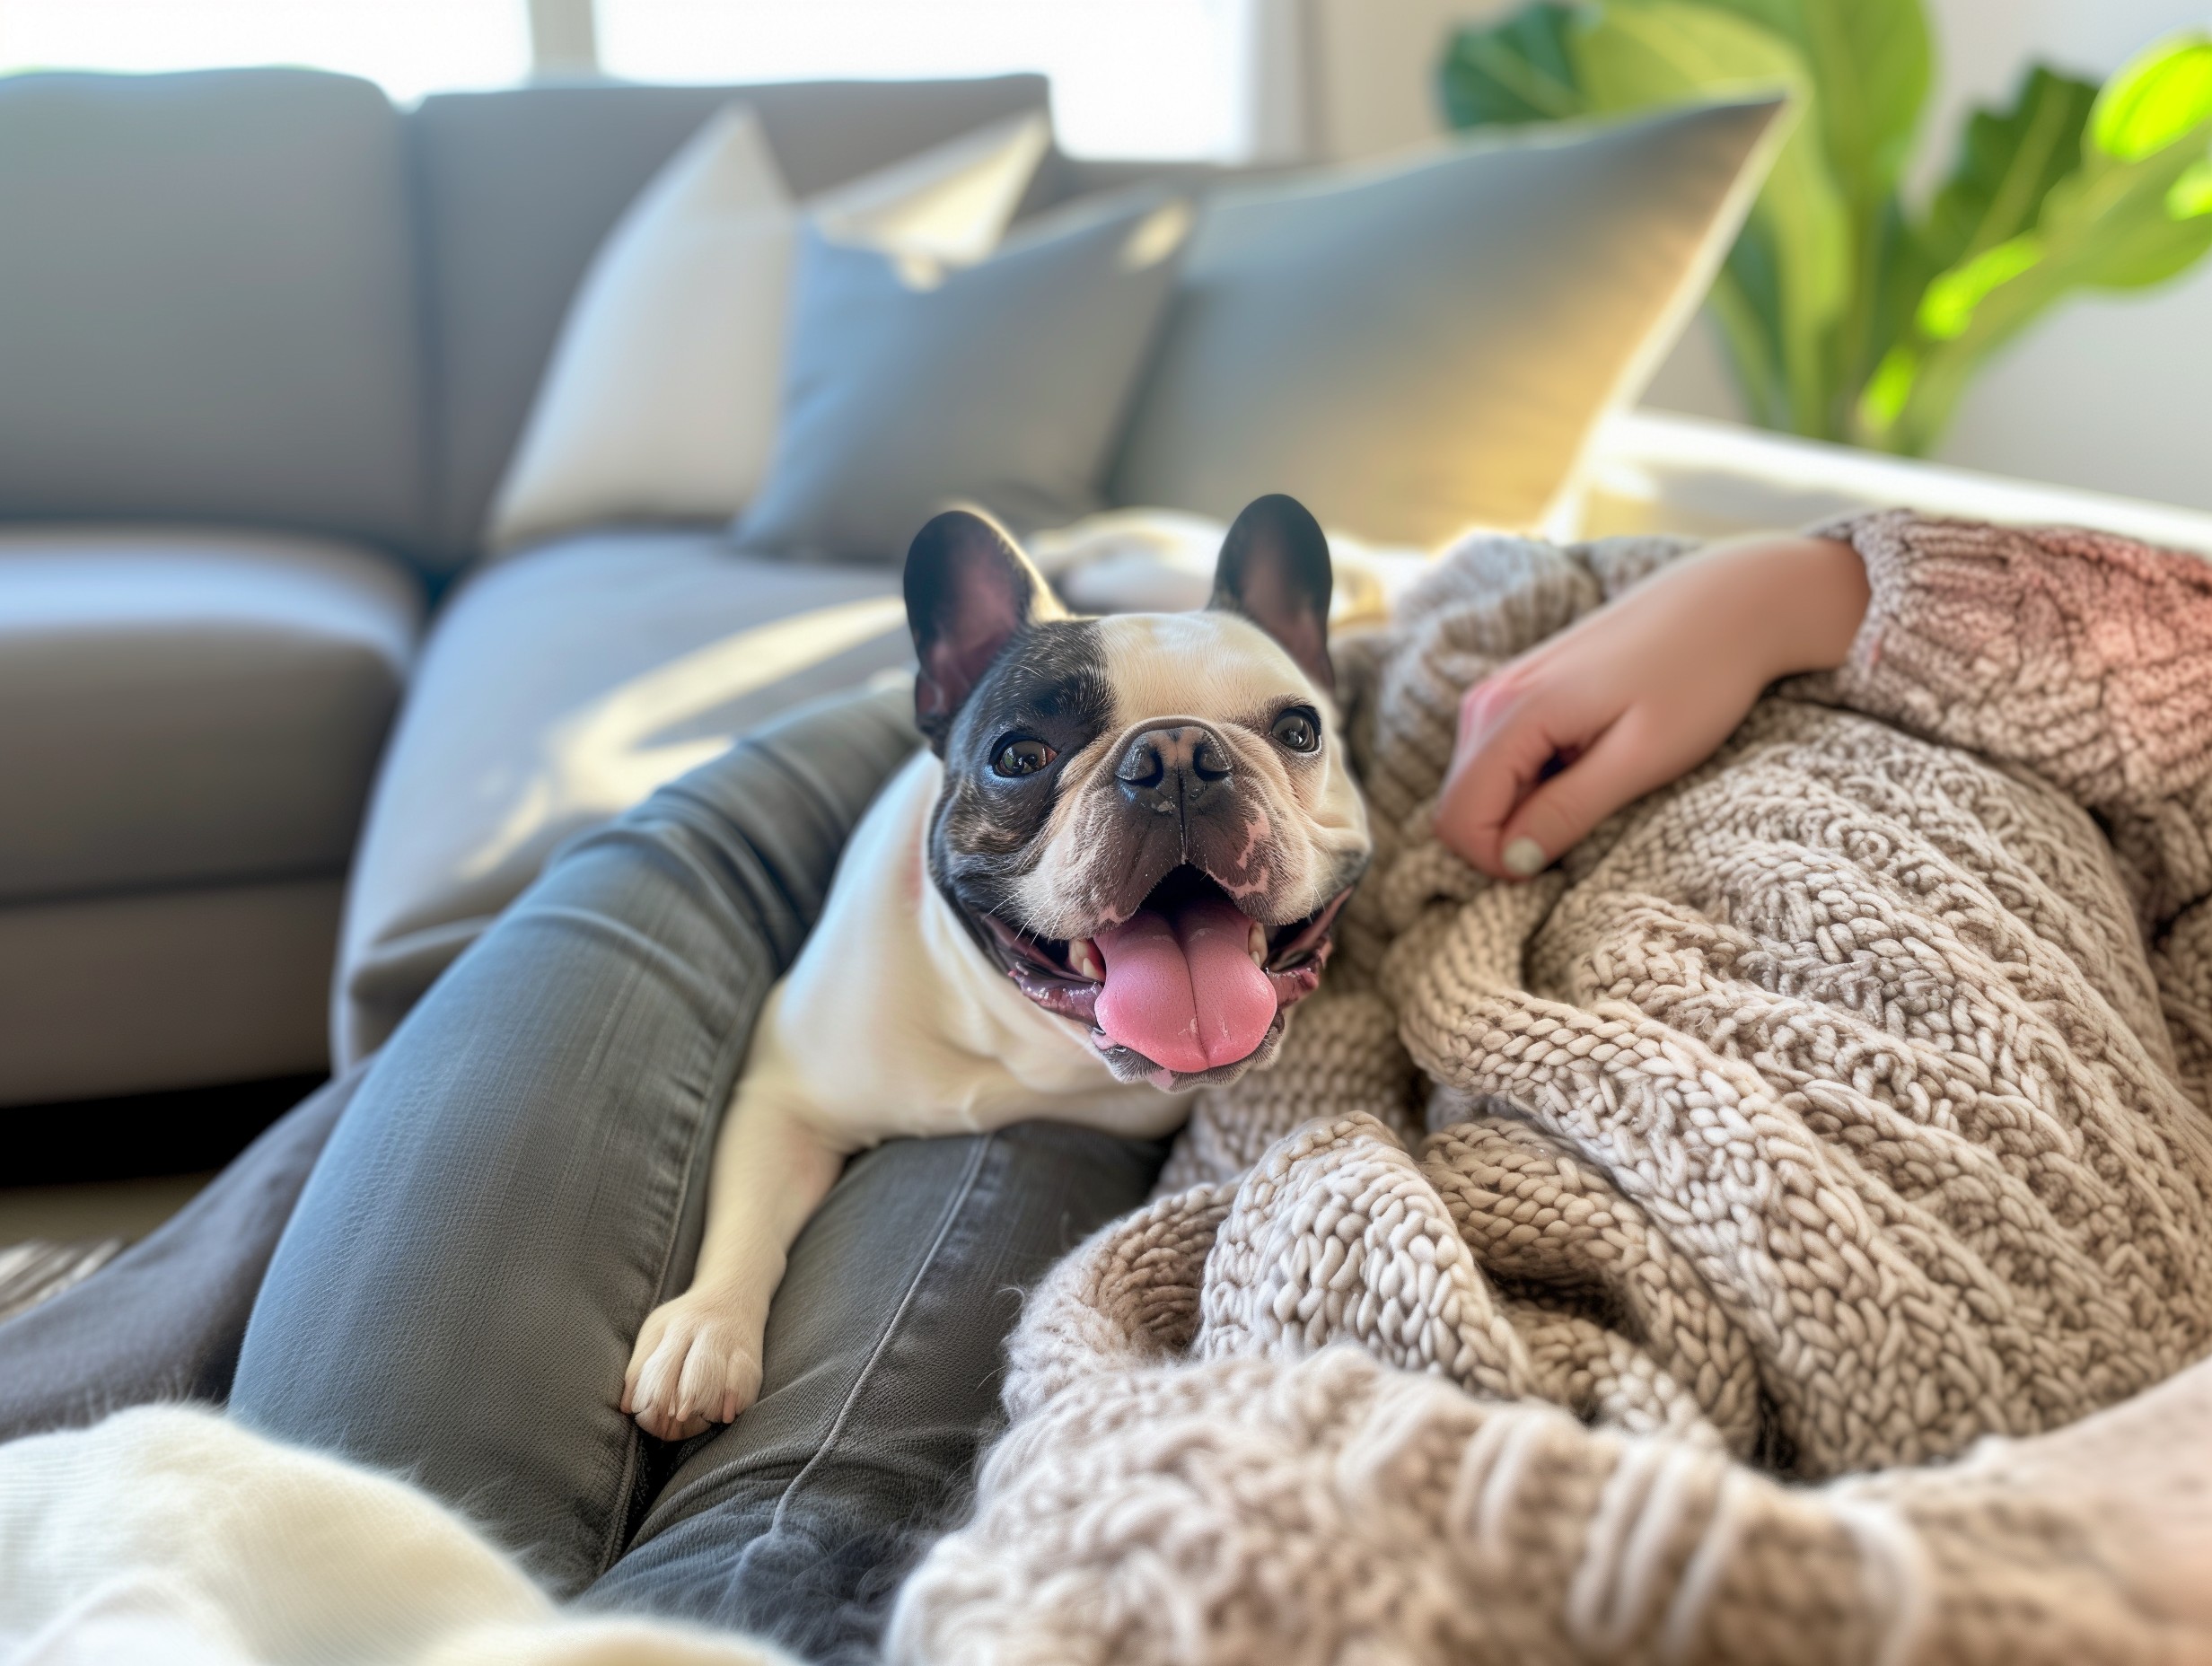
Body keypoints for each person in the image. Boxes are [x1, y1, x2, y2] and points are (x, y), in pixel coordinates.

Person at [0, 530, 1882, 1662]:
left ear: (1309, 690)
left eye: (1268, 734)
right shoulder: (899, 953)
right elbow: (797, 1090)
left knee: (336, 1515)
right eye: (1058, 753)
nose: (1166, 792)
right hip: (848, 840)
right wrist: (724, 1287)